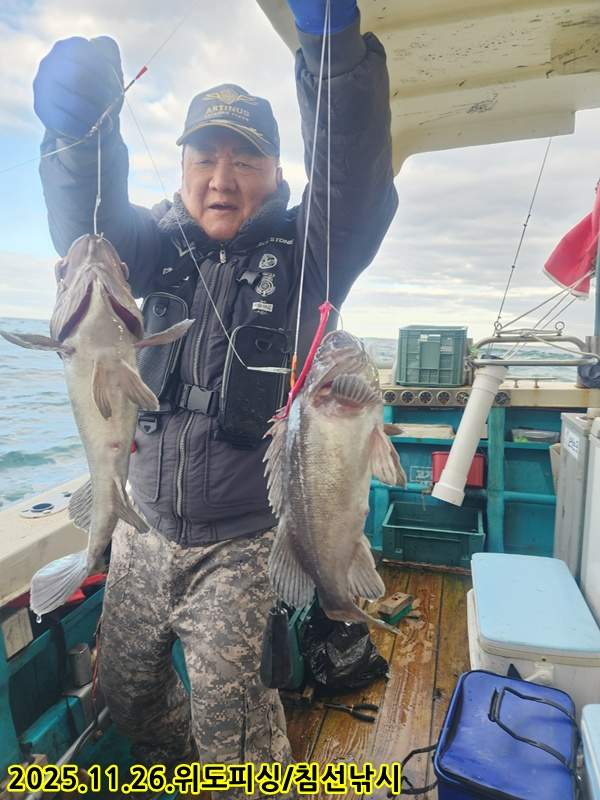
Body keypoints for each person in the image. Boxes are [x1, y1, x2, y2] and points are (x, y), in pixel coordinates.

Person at [32, 1, 398, 796]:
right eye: (204, 158)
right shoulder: (148, 247)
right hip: (143, 531)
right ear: (183, 169)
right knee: (126, 695)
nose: (221, 179)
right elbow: (84, 218)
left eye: (245, 160)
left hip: (241, 545)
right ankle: (184, 763)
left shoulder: (311, 253)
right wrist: (77, 134)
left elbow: (355, 180)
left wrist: (335, 61)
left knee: (239, 750)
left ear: (277, 175)